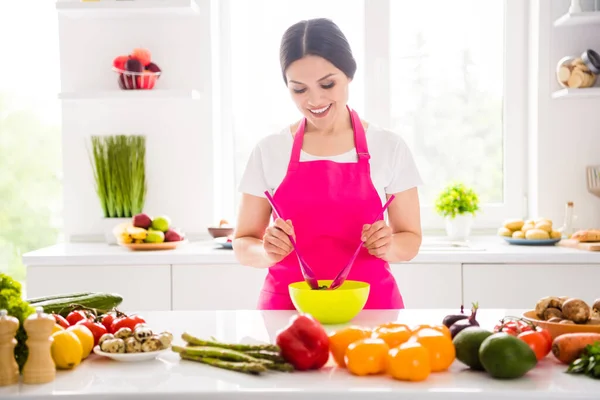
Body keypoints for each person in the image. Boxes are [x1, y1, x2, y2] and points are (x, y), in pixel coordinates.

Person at [233, 18, 423, 310]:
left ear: (348, 74)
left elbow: (410, 239)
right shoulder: (269, 150)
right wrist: (266, 253)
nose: (315, 99)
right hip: (287, 312)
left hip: (370, 311)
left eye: (327, 84)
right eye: (299, 89)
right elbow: (243, 242)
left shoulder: (389, 146)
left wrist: (390, 246)